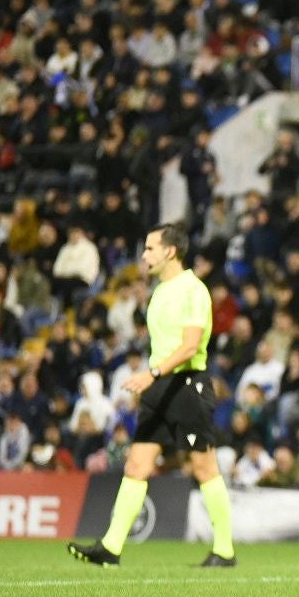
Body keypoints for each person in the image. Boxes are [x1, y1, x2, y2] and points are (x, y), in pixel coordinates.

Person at [68, 223, 236, 568]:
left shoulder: (193, 289)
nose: (143, 255)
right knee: (136, 465)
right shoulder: (160, 291)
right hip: (159, 387)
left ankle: (225, 549)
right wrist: (152, 377)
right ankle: (111, 547)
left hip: (187, 385)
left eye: (149, 248)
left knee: (203, 468)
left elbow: (190, 346)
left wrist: (152, 372)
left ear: (170, 251)